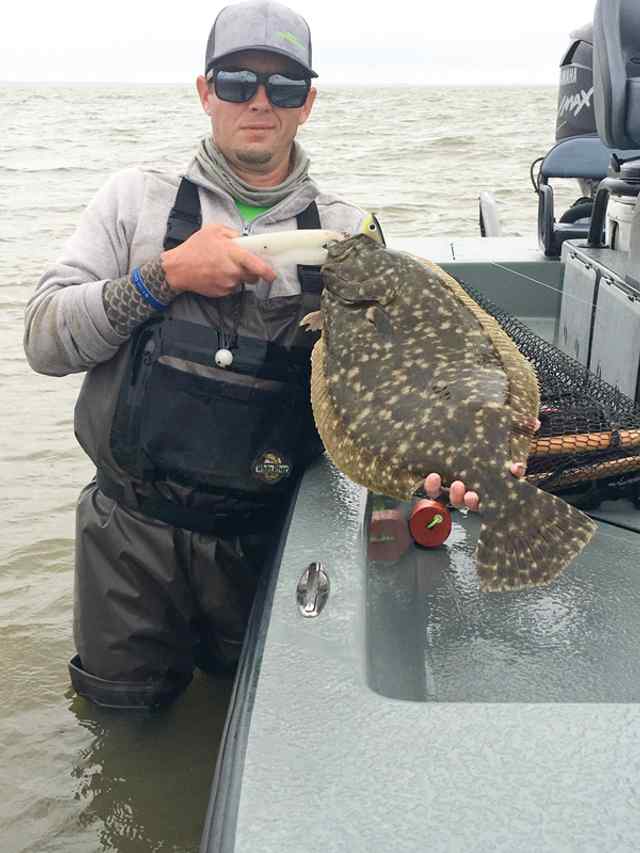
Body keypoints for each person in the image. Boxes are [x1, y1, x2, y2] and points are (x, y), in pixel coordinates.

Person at [24, 0, 493, 710]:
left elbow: (398, 385)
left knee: (241, 721)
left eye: (284, 86)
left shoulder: (349, 233)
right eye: (238, 82)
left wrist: (453, 457)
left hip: (262, 545)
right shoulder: (135, 202)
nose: (260, 102)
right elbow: (44, 339)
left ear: (308, 102)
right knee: (120, 727)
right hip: (128, 534)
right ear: (205, 91)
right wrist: (165, 277)